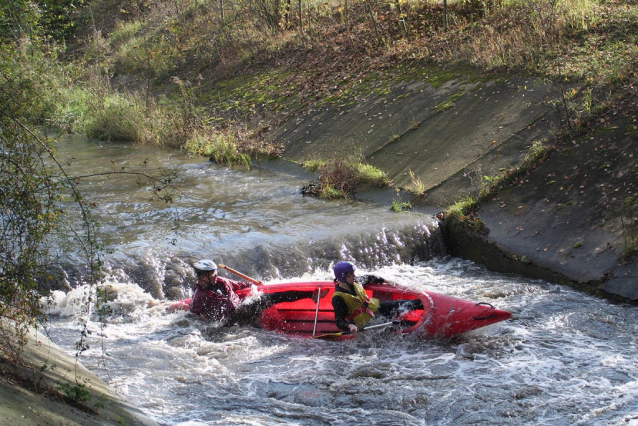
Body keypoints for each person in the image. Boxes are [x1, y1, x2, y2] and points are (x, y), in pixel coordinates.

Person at [189, 259, 323, 325]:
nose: (215, 276)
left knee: (270, 297)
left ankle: (310, 295)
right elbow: (195, 314)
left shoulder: (221, 281)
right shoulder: (200, 295)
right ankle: (310, 295)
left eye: (215, 272)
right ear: (203, 277)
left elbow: (242, 284)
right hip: (231, 319)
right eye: (212, 274)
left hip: (242, 308)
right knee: (264, 299)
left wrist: (255, 284)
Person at [331, 261, 423, 333]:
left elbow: (370, 277)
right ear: (342, 277)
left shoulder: (357, 281)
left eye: (353, 273)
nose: (354, 276)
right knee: (408, 325)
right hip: (369, 323)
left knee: (413, 303)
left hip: (377, 308)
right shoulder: (338, 298)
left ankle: (424, 306)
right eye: (350, 274)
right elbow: (339, 321)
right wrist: (350, 326)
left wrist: (386, 281)